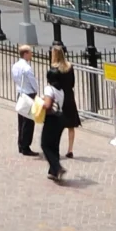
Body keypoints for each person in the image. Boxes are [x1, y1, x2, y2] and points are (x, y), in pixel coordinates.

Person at [41, 45, 76, 183]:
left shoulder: (50, 89)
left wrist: (40, 104)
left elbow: (48, 105)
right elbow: (72, 83)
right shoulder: (68, 71)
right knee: (55, 143)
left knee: (45, 144)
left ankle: (57, 166)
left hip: (53, 117)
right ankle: (53, 171)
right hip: (66, 105)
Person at [13, 44, 42, 156]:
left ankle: (21, 144)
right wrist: (36, 91)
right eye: (30, 52)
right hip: (29, 94)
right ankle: (25, 146)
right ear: (25, 54)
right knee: (29, 121)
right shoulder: (27, 68)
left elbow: (15, 78)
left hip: (20, 93)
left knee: (21, 120)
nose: (31, 54)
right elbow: (33, 82)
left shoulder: (15, 65)